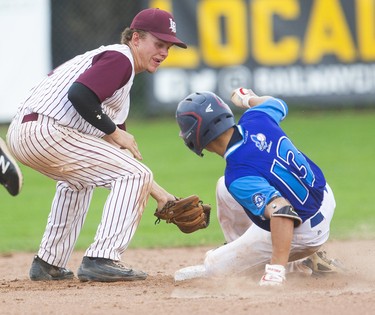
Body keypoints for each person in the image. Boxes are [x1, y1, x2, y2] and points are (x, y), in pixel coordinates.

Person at [6, 8, 187, 282]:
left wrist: (162, 195)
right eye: (158, 44)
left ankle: (48, 263)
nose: (164, 52)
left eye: (169, 47)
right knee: (134, 174)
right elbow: (79, 94)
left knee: (79, 183)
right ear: (136, 38)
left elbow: (119, 157)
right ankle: (101, 258)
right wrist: (114, 131)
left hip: (30, 132)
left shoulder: (121, 84)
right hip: (46, 130)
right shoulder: (120, 58)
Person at [174, 88, 342, 286]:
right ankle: (248, 254)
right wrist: (248, 99)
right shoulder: (257, 117)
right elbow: (276, 102)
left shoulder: (238, 174)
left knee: (214, 266)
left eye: (184, 129)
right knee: (223, 188)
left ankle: (299, 262)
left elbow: (283, 211)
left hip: (304, 231)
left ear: (197, 135)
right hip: (323, 196)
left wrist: (275, 271)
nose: (181, 134)